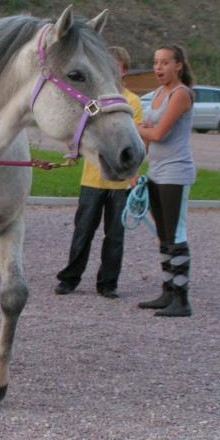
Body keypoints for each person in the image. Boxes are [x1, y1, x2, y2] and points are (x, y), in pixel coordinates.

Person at [54, 46, 143, 299]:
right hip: (92, 178)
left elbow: (133, 139)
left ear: (124, 71)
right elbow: (81, 129)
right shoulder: (94, 102)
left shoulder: (132, 102)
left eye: (117, 67)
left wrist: (133, 171)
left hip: (120, 182)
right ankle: (70, 277)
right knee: (83, 230)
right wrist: (74, 150)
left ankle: (108, 282)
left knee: (115, 235)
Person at [136, 44, 195, 317]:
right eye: (156, 62)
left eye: (165, 62)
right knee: (163, 235)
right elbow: (149, 135)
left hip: (176, 172)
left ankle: (181, 300)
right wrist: (139, 167)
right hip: (157, 171)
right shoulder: (159, 93)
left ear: (179, 65)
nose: (158, 67)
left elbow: (157, 133)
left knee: (176, 234)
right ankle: (168, 291)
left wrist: (134, 127)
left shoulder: (181, 94)